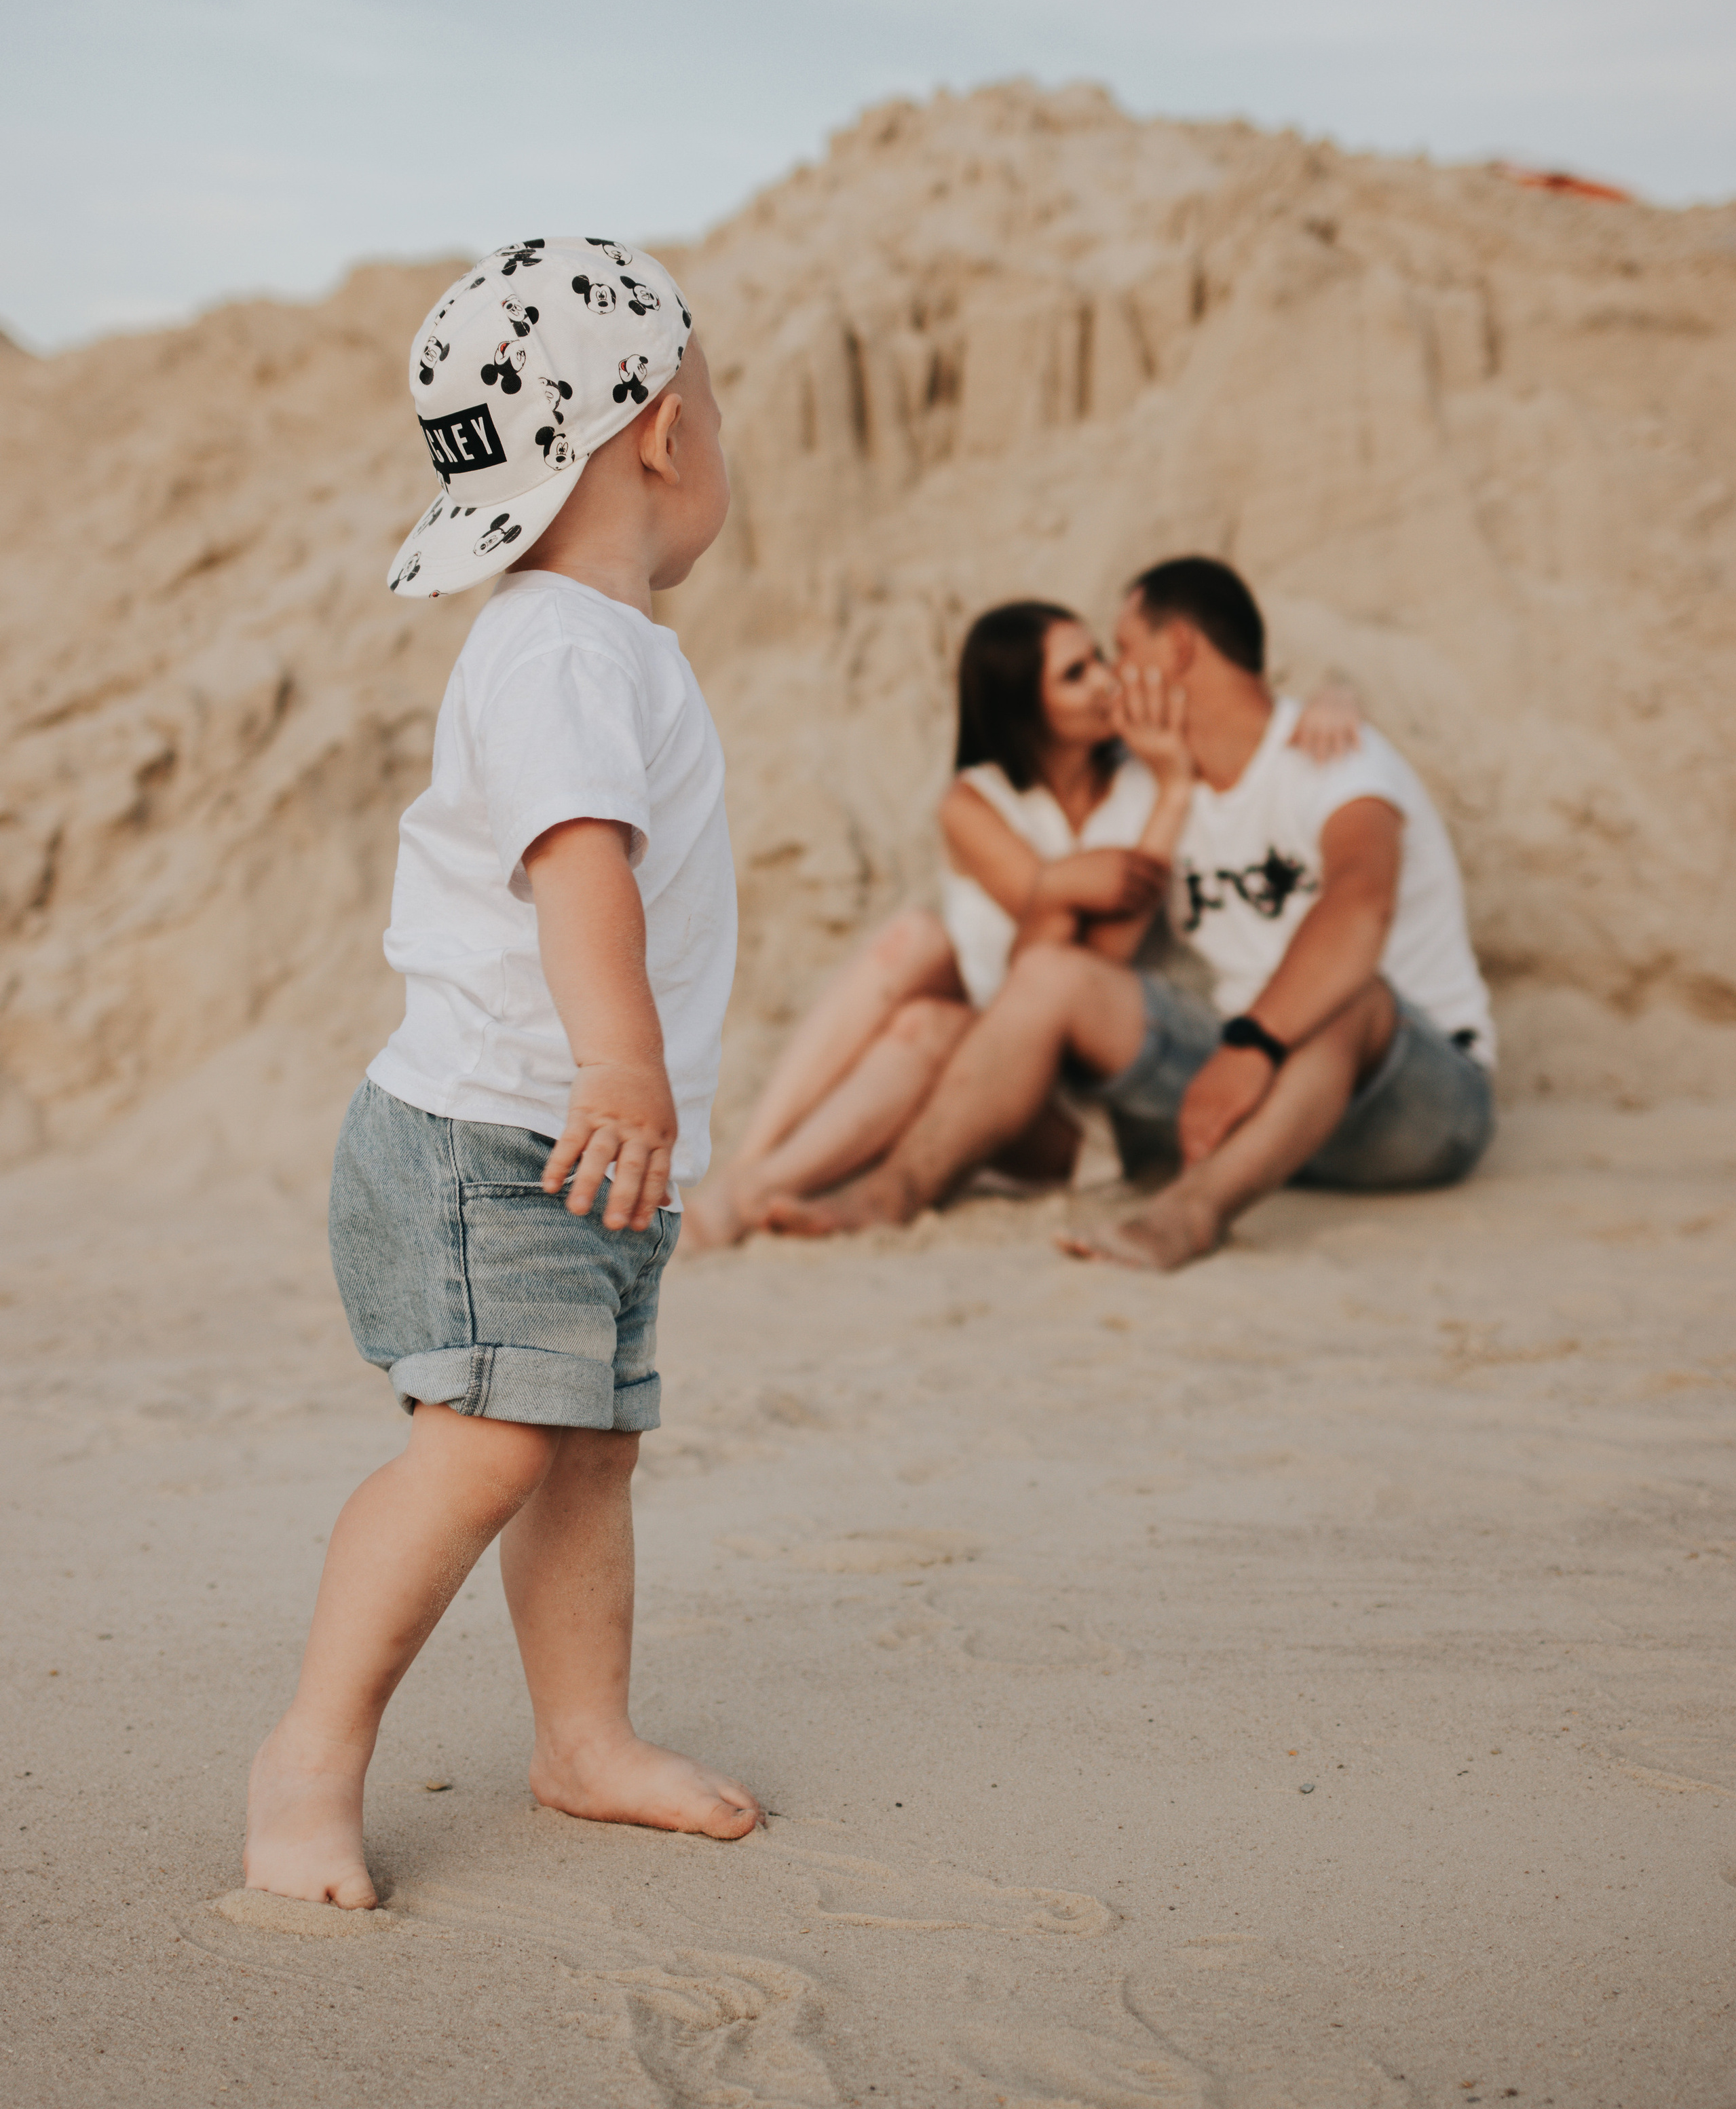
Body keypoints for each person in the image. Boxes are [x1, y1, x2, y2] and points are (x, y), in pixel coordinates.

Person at [244, 240, 760, 1912]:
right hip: (495, 1142)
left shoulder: (594, 642)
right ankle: (308, 1761)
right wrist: (625, 1059)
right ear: (662, 432)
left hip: (574, 1144)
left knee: (583, 1444)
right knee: (481, 1447)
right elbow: (574, 860)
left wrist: (621, 1089)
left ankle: (581, 1736)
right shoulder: (557, 648)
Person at [764, 557, 1494, 1269]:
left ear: (1176, 650)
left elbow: (1360, 905)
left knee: (1348, 994)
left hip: (1415, 1100)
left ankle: (1187, 1215)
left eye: (1119, 650)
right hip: (1247, 1099)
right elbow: (1081, 967)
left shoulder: (1335, 755)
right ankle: (895, 1190)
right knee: (1055, 973)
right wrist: (1168, 790)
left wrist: (1251, 1047)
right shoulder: (1152, 782)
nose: (1112, 675)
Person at [683, 602, 1357, 1250]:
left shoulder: (1147, 779)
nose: (1106, 678)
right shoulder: (977, 801)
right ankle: (749, 1172)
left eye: (1099, 657)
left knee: (931, 1024)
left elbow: (1089, 958)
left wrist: (1334, 697)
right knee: (916, 941)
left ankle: (752, 1188)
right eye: (1076, 673)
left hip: (1061, 1091)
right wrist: (1063, 883)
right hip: (986, 1033)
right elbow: (1038, 941)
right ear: (1024, 705)